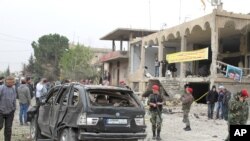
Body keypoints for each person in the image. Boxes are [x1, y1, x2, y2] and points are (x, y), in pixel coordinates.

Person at [0, 76, 17, 141]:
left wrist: (14, 108)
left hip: (10, 112)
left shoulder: (13, 88)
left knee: (8, 129)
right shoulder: (1, 88)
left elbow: (14, 99)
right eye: (9, 82)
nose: (11, 83)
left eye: (12, 82)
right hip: (1, 111)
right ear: (6, 81)